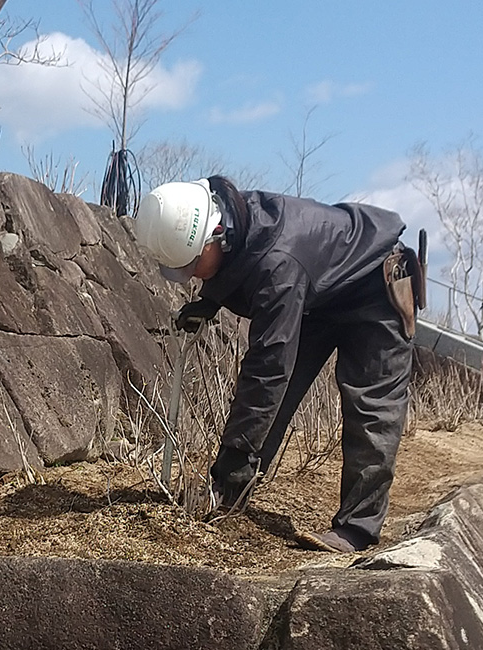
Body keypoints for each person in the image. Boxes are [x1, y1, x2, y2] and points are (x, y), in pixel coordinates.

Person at [133, 176, 424, 554]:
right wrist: (211, 300)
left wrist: (235, 454)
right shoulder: (232, 216)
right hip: (320, 291)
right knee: (280, 395)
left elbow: (267, 369)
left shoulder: (280, 266)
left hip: (377, 282)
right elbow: (241, 261)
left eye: (191, 264)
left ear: (215, 233)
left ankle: (357, 528)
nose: (189, 274)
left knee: (371, 407)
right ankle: (230, 492)